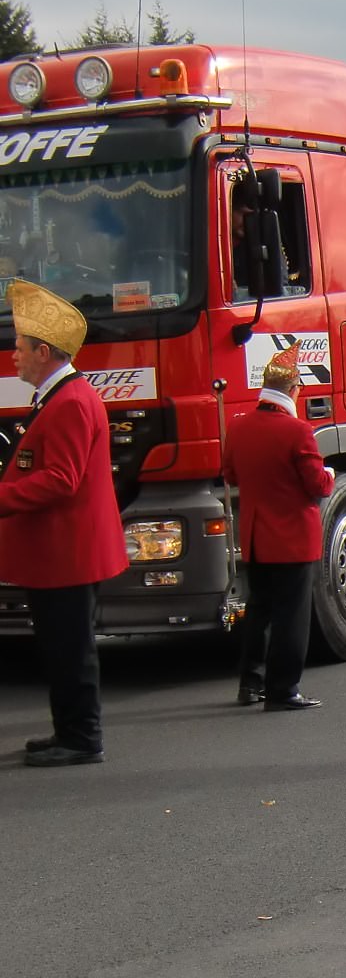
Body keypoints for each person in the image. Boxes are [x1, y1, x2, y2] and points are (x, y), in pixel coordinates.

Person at [0, 280, 127, 766]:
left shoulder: (70, 401)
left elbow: (61, 480)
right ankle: (67, 729)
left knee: (70, 648)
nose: (14, 356)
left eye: (20, 347)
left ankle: (81, 737)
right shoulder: (61, 396)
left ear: (44, 352)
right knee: (59, 646)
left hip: (67, 552)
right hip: (61, 551)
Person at [224, 342, 335, 710]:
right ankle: (283, 689)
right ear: (293, 389)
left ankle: (250, 683)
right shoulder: (297, 431)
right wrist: (330, 474)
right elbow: (317, 485)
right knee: (292, 616)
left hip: (257, 537)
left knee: (259, 611)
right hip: (292, 538)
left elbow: (230, 474)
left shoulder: (238, 427)